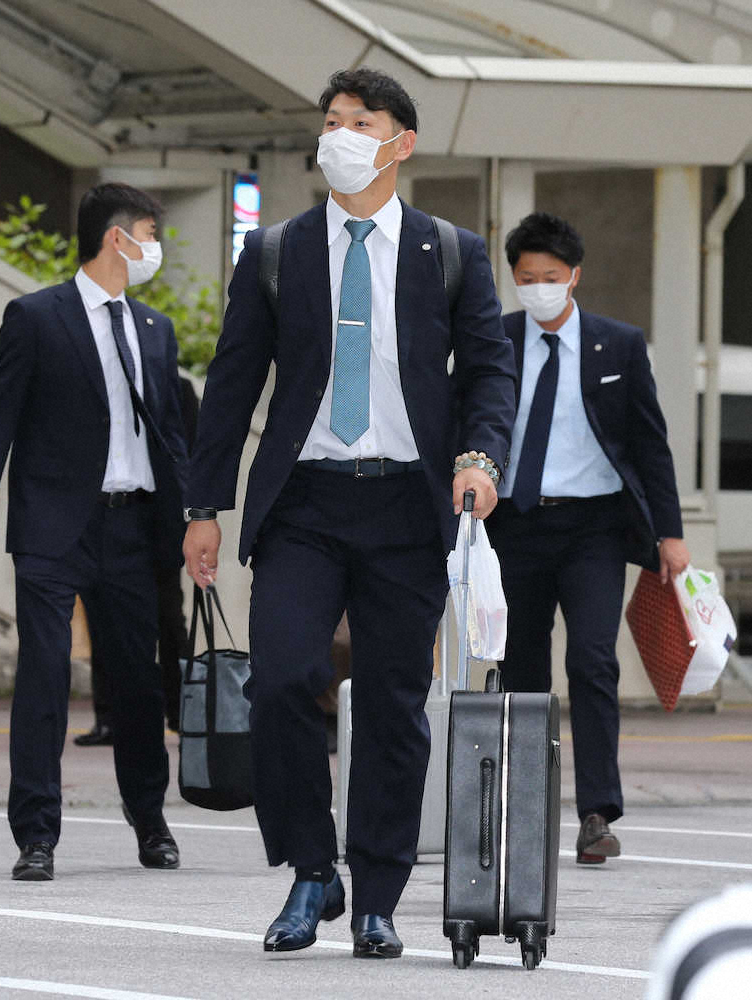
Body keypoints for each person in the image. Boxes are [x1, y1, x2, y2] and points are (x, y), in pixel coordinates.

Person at [183, 67, 516, 958]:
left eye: (357, 121)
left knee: (396, 707)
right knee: (286, 678)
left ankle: (376, 894)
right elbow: (232, 385)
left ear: (399, 142)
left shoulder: (450, 253)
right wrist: (202, 504)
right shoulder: (277, 251)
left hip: (409, 505)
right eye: (329, 120)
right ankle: (309, 871)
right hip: (305, 501)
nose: (336, 134)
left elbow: (488, 371)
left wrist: (480, 459)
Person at [0, 181, 189, 880]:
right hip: (53, 529)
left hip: (133, 529)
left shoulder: (154, 330)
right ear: (117, 238)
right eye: (149, 234)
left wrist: (195, 520)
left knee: (137, 682)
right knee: (45, 680)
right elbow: (0, 423)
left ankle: (151, 823)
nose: (153, 250)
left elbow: (170, 437)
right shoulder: (35, 317)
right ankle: (36, 836)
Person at [485, 211, 690, 865]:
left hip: (594, 527)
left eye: (550, 276)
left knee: (593, 662)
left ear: (574, 276)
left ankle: (596, 811)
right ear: (512, 278)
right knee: (520, 668)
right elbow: (466, 429)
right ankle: (524, 807)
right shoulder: (494, 341)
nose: (538, 287)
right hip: (514, 525)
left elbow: (648, 446)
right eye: (525, 277)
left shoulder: (617, 344)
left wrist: (669, 534)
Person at [75, 374, 199, 744]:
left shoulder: (177, 388)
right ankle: (108, 719)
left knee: (169, 622)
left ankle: (182, 714)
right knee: (100, 620)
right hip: (98, 521)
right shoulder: (95, 383)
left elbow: (189, 453)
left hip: (158, 526)